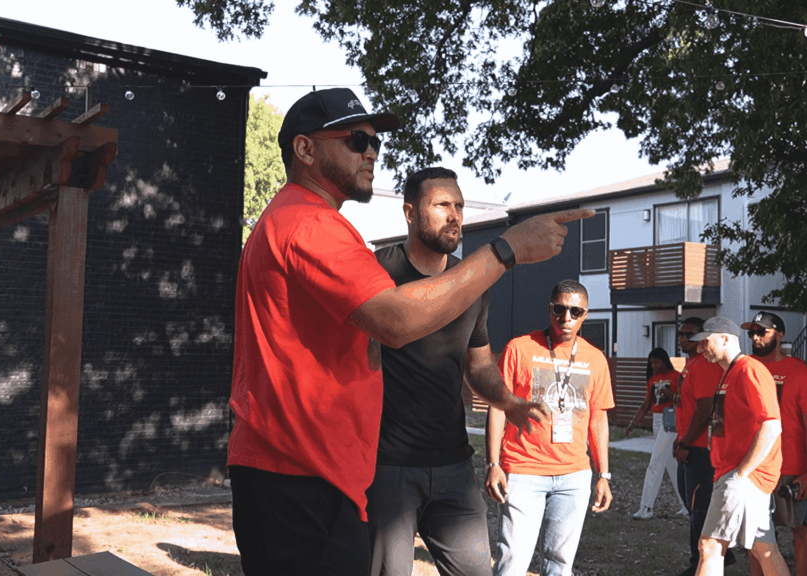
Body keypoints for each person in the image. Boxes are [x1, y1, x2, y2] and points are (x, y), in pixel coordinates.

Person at [227, 88, 594, 576]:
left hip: (325, 471)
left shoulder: (296, 219)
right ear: (305, 149)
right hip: (304, 474)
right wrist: (506, 250)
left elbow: (466, 359)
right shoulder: (309, 224)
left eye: (375, 143)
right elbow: (395, 321)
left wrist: (508, 401)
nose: (371, 153)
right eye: (357, 140)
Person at [368, 167, 546, 576]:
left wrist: (508, 401)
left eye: (460, 206)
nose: (455, 216)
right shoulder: (378, 270)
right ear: (410, 213)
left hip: (453, 464)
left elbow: (478, 364)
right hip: (388, 465)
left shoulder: (471, 281)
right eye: (442, 205)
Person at [485, 280, 614, 576]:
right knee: (513, 561)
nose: (566, 318)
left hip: (574, 476)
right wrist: (493, 464)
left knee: (560, 565)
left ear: (585, 315)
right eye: (560, 309)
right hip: (523, 470)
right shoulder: (519, 348)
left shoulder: (595, 359)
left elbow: (598, 419)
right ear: (549, 309)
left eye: (575, 311)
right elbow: (498, 407)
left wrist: (604, 475)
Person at [688, 317, 789, 576]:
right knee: (764, 549)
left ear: (724, 339)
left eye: (705, 342)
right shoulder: (730, 372)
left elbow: (772, 426)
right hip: (739, 475)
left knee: (710, 546)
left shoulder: (749, 370)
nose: (700, 348)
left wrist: (740, 475)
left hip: (743, 477)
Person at [743, 312, 807, 576]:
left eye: (762, 332)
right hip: (753, 465)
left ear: (779, 335)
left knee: (801, 527)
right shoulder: (743, 369)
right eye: (752, 332)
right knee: (756, 532)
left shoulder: (801, 374)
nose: (755, 338)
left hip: (792, 465)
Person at [671, 318, 734, 576]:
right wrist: (680, 437)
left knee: (700, 508)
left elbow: (705, 409)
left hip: (701, 448)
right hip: (688, 442)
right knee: (692, 504)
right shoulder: (691, 364)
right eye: (681, 334)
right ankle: (719, 555)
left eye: (691, 334)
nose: (684, 338)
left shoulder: (706, 365)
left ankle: (701, 561)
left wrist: (686, 442)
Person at [626, 347, 686, 519]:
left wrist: (670, 395)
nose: (654, 366)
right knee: (671, 465)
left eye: (656, 362)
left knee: (655, 462)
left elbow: (684, 400)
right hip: (657, 419)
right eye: (651, 363)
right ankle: (686, 506)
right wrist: (633, 423)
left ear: (664, 360)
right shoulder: (652, 380)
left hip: (670, 418)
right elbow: (646, 404)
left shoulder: (676, 377)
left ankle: (646, 508)